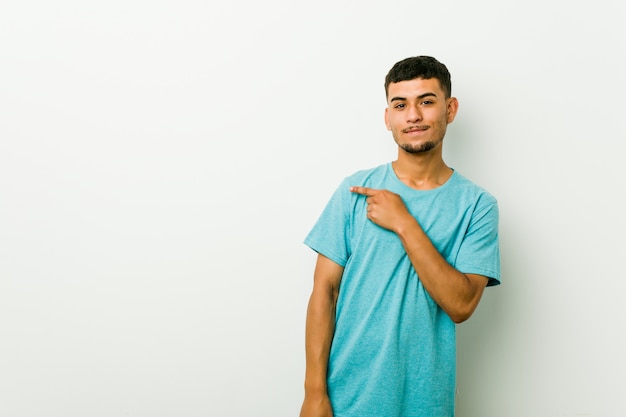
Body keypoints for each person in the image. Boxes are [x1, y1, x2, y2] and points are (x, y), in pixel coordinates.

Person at [298, 55, 501, 417]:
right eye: (400, 105)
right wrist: (314, 393)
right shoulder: (355, 192)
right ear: (387, 117)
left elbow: (461, 305)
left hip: (426, 404)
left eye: (426, 101)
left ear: (450, 109)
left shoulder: (477, 206)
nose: (413, 116)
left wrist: (403, 222)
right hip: (346, 399)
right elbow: (323, 293)